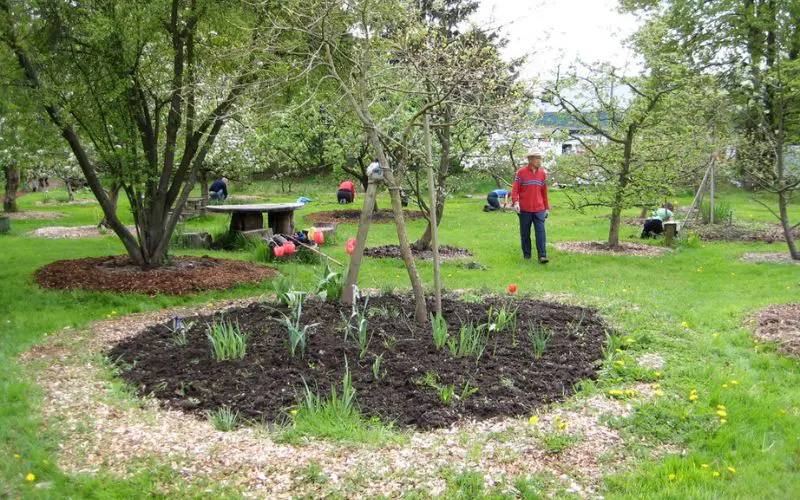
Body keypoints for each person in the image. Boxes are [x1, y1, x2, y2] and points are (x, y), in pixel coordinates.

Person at [512, 149, 550, 263]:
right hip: (524, 209)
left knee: (541, 232)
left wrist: (546, 208)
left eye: (540, 158)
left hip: (539, 208)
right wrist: (516, 202)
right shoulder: (521, 173)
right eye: (537, 158)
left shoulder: (542, 174)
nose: (539, 161)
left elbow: (544, 192)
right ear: (530, 159)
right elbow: (515, 190)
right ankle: (527, 255)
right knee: (525, 233)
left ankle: (542, 256)